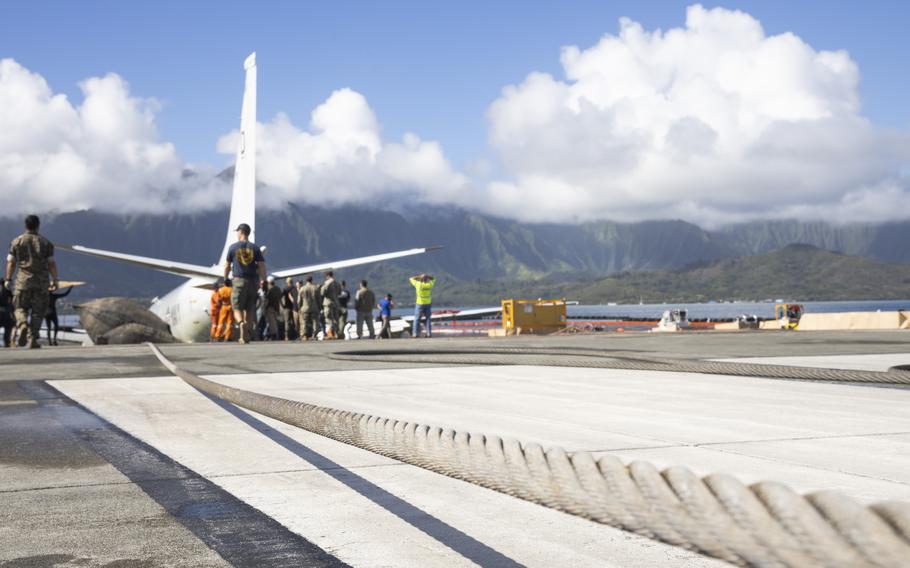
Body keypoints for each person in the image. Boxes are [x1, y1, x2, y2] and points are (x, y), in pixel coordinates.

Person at [6, 215, 59, 348]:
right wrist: (55, 280)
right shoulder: (46, 243)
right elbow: (51, 264)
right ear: (38, 225)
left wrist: (8, 279)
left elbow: (11, 263)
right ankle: (32, 340)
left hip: (22, 282)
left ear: (25, 225)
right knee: (38, 312)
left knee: (19, 307)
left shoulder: (16, 242)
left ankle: (22, 324)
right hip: (41, 283)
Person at [223, 223, 265, 344]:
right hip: (253, 282)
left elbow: (227, 266)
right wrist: (264, 280)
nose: (236, 233)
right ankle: (247, 334)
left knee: (236, 307)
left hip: (238, 281)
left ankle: (241, 323)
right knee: (250, 309)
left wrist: (225, 278)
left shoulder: (233, 248)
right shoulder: (255, 248)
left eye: (237, 231)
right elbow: (262, 266)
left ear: (241, 232)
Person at [409, 273, 435, 338]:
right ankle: (428, 333)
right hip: (428, 303)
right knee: (428, 319)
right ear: (426, 280)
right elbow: (433, 278)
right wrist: (427, 276)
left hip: (419, 303)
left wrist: (420, 276)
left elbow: (411, 278)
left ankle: (415, 333)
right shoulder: (429, 285)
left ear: (421, 279)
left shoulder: (418, 284)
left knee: (417, 319)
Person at [298, 275, 321, 340]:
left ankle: (305, 335)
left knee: (304, 322)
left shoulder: (302, 288)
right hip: (314, 307)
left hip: (305, 308)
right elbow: (319, 299)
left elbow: (299, 300)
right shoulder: (315, 288)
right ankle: (314, 335)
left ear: (306, 280)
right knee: (315, 322)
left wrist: (299, 307)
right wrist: (319, 307)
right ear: (311, 280)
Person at [320, 270, 342, 339]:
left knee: (329, 319)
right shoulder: (337, 283)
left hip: (328, 303)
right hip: (336, 303)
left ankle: (331, 334)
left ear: (327, 276)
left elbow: (322, 293)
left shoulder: (327, 282)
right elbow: (339, 293)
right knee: (336, 319)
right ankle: (337, 333)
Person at [0, 279, 13, 347]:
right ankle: (6, 341)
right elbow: (11, 299)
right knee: (8, 327)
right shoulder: (7, 290)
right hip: (6, 311)